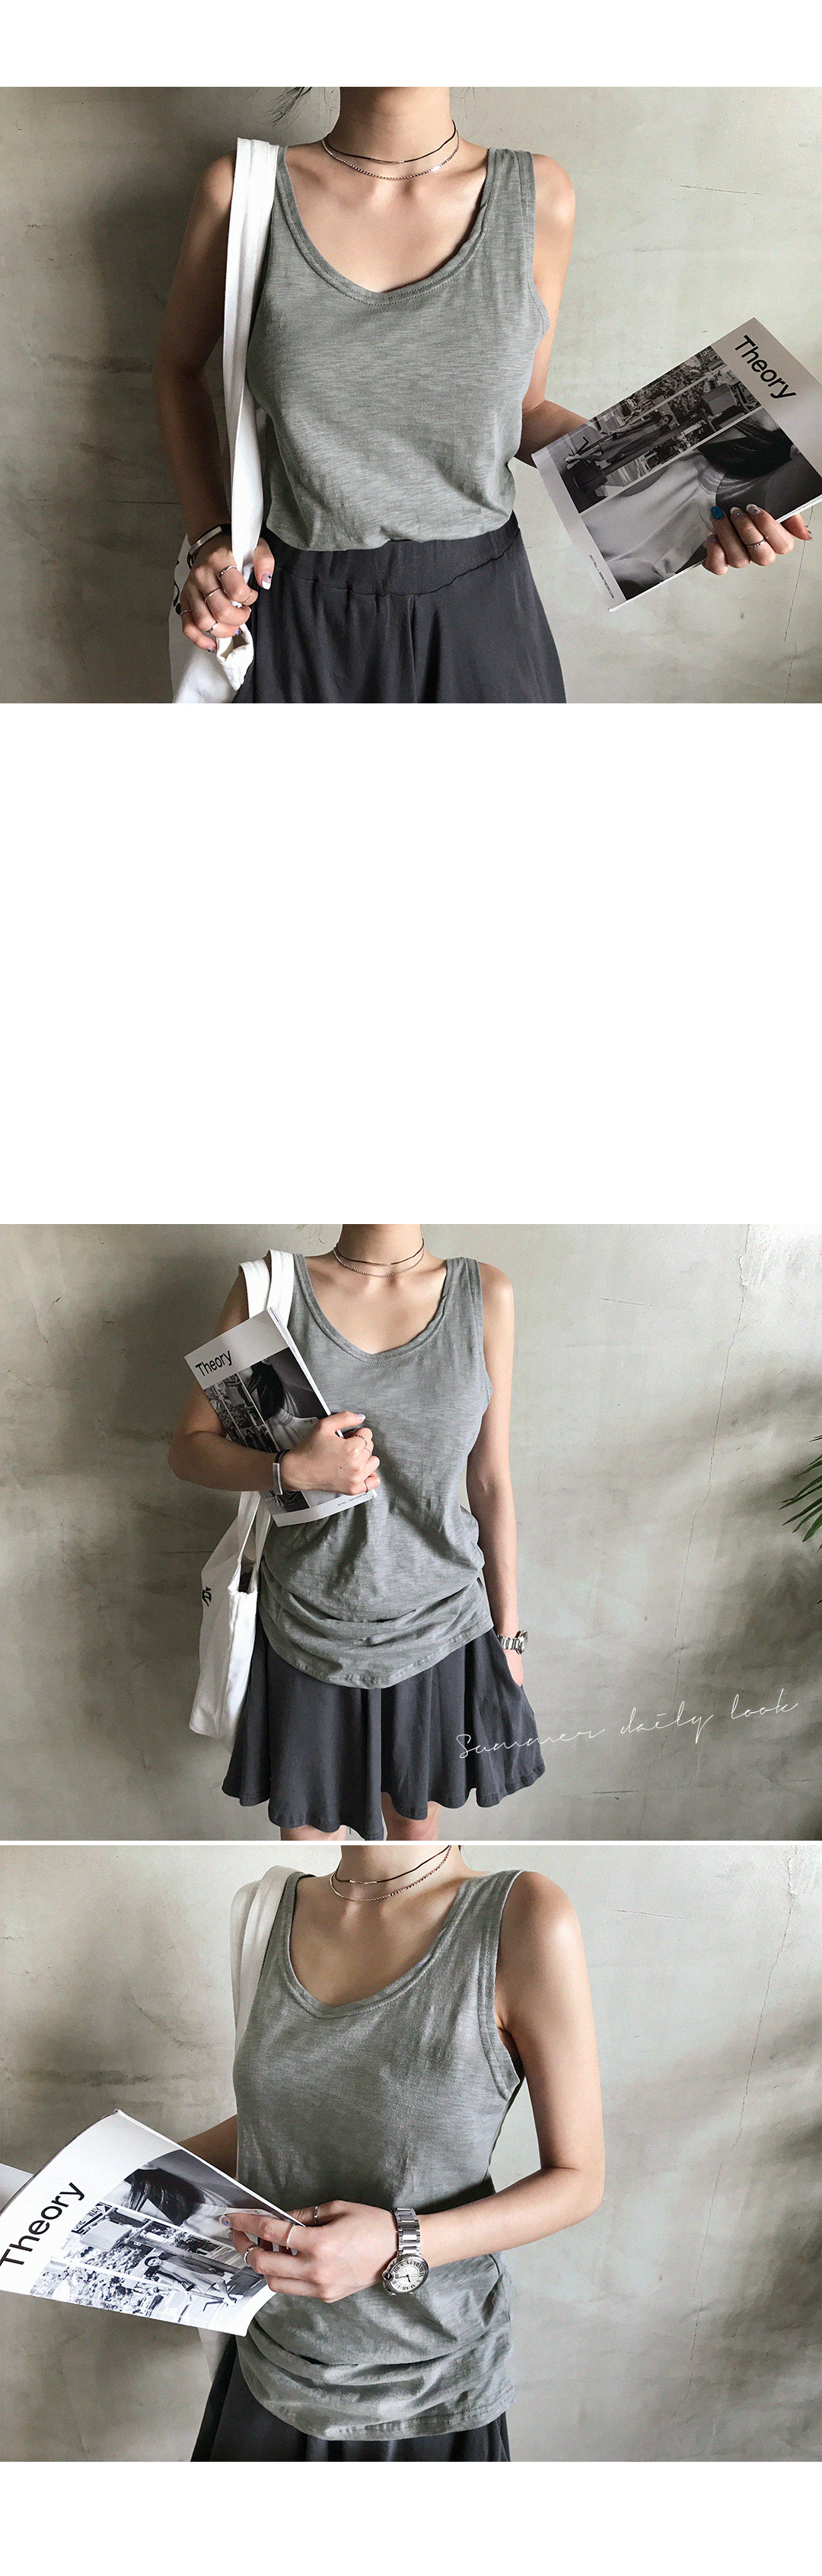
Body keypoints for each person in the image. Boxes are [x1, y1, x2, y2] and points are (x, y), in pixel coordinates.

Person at [154, 88, 809, 704]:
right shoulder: (244, 191)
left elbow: (525, 412)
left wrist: (698, 500)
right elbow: (178, 371)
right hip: (299, 608)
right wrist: (210, 534)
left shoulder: (537, 194)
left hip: (481, 614)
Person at [187, 1842, 605, 2460]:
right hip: (268, 2366)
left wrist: (398, 2243)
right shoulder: (268, 1910)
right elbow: (281, 2121)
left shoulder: (522, 1915)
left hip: (424, 2389)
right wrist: (116, 2172)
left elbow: (578, 2179)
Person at [170, 1229, 542, 1841]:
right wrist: (290, 1470)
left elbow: (490, 1480)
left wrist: (509, 1636)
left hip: (440, 1626)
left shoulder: (484, 1294)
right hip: (306, 1627)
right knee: (310, 1841)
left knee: (414, 1836)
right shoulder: (270, 1288)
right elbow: (188, 1451)